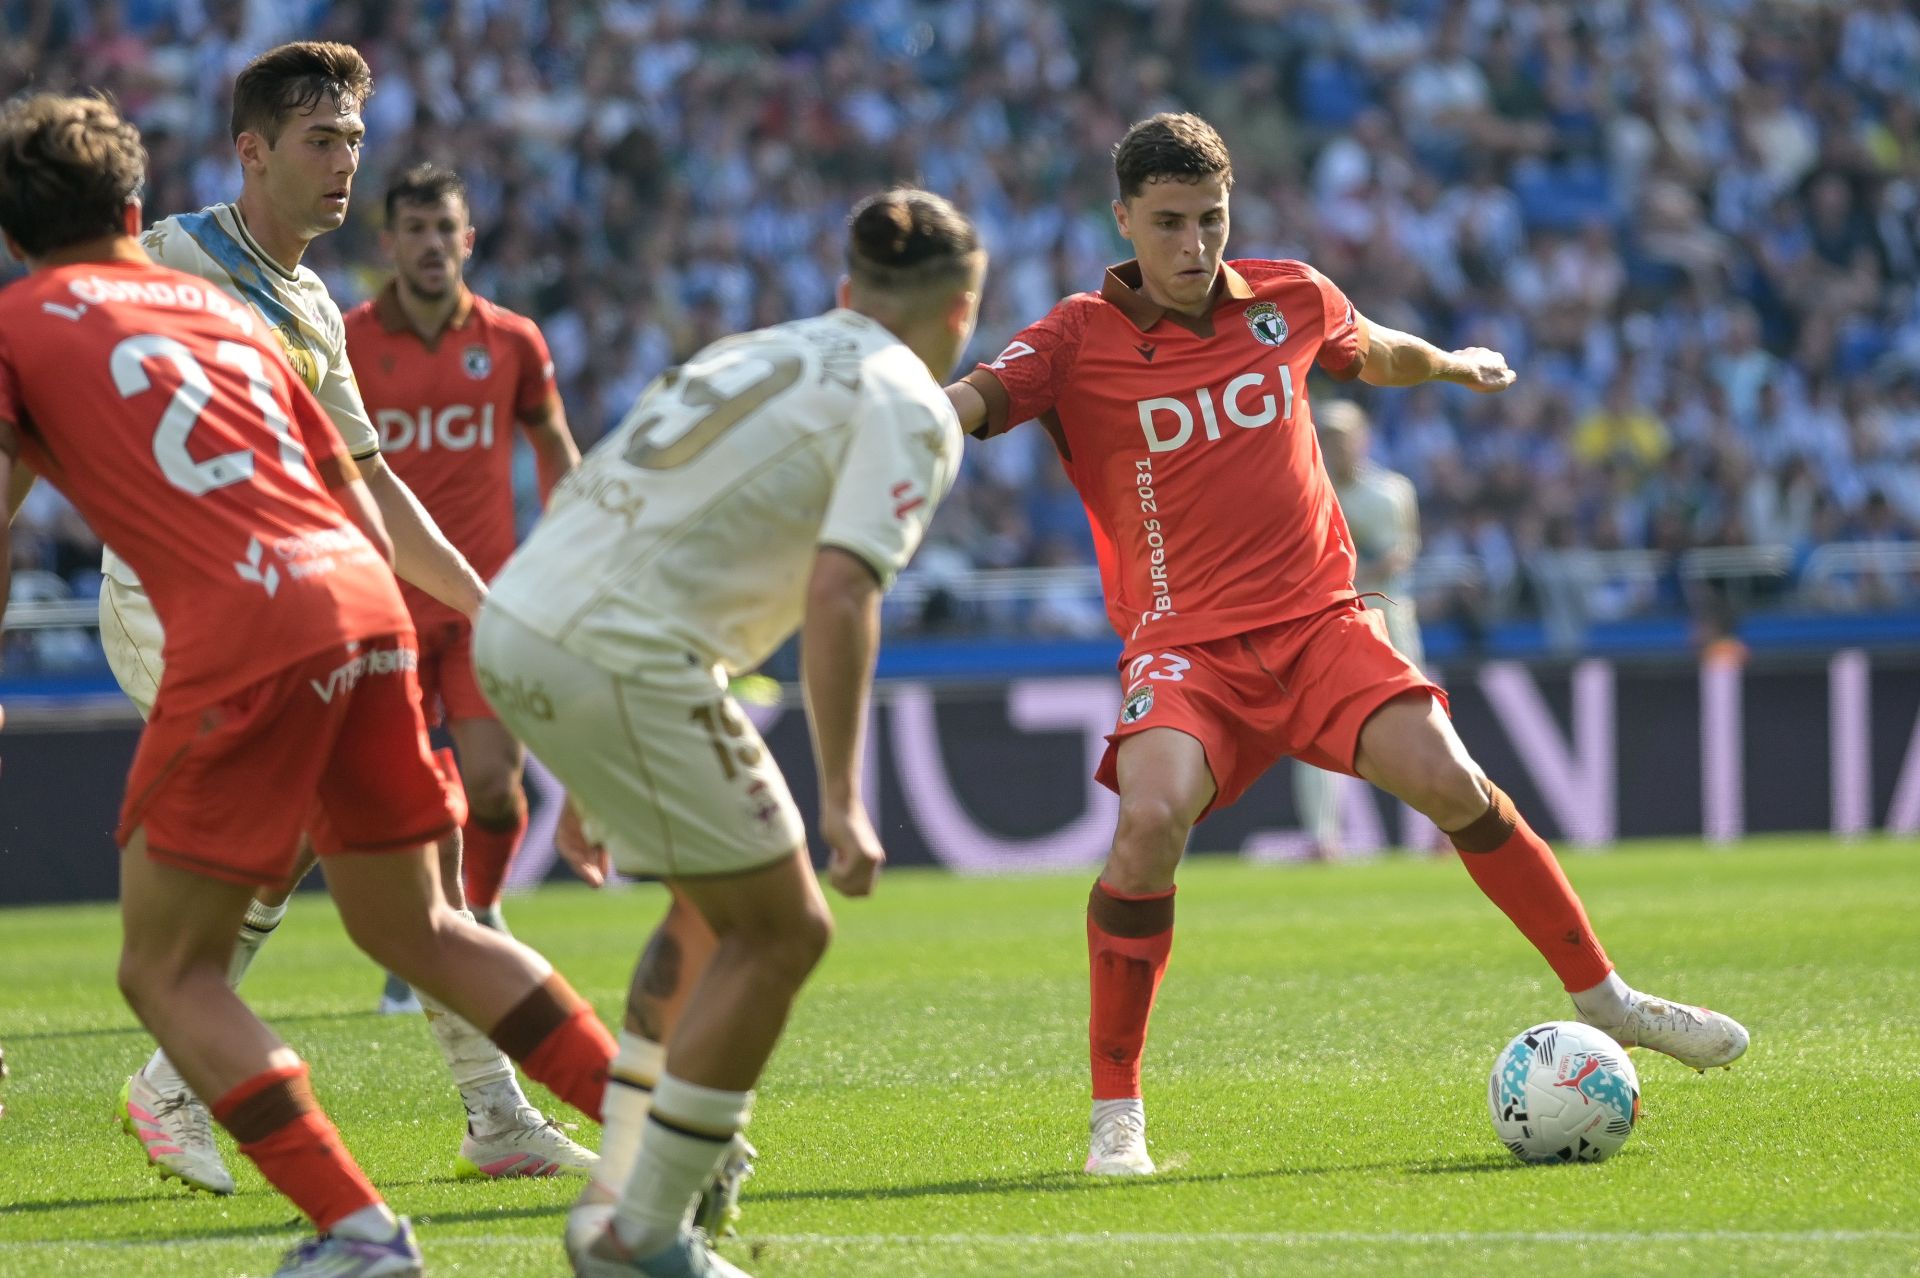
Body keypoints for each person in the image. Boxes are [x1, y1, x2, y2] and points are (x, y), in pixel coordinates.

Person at [944, 113, 1748, 1178]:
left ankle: (1608, 999)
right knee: (1148, 820)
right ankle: (1116, 1114)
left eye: (1212, 219)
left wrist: (1451, 365)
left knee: (1454, 781)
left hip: (1319, 622)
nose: (1195, 244)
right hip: (1186, 647)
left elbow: (1373, 349)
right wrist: (892, 421)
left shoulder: (1287, 297)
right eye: (1170, 222)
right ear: (1124, 219)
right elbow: (967, 404)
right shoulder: (1073, 339)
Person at [0, 93, 616, 1278]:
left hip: (237, 618)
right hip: (344, 603)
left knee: (172, 961)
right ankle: (652, 1144)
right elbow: (356, 496)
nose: (344, 162)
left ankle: (344, 1210)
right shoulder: (202, 287)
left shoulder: (53, 319)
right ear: (135, 210)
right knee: (415, 913)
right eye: (324, 139)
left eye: (351, 139)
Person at [475, 188, 984, 1277]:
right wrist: (843, 799)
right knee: (786, 929)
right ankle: (644, 1230)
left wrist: (592, 772)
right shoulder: (911, 398)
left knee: (715, 913)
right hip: (621, 652)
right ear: (962, 311)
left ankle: (631, 1181)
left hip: (520, 615)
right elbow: (843, 590)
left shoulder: (758, 347)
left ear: (847, 291)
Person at [344, 161, 579, 978]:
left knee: (495, 790)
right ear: (388, 243)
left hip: (485, 602)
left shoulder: (513, 342)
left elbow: (554, 447)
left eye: (445, 228)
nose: (432, 244)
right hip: (385, 605)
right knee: (404, 794)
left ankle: (480, 909)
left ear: (468, 240)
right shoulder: (347, 343)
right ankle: (420, 939)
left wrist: (573, 545)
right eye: (415, 229)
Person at [1293, 401, 1427, 856]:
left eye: (1342, 437)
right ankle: (1322, 838)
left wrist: (1341, 573)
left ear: (1362, 439)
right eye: (1327, 437)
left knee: (1418, 724)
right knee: (1316, 731)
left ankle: (1442, 827)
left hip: (1388, 624)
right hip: (1328, 626)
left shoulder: (1391, 492)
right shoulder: (1307, 490)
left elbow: (1397, 556)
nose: (1335, 446)